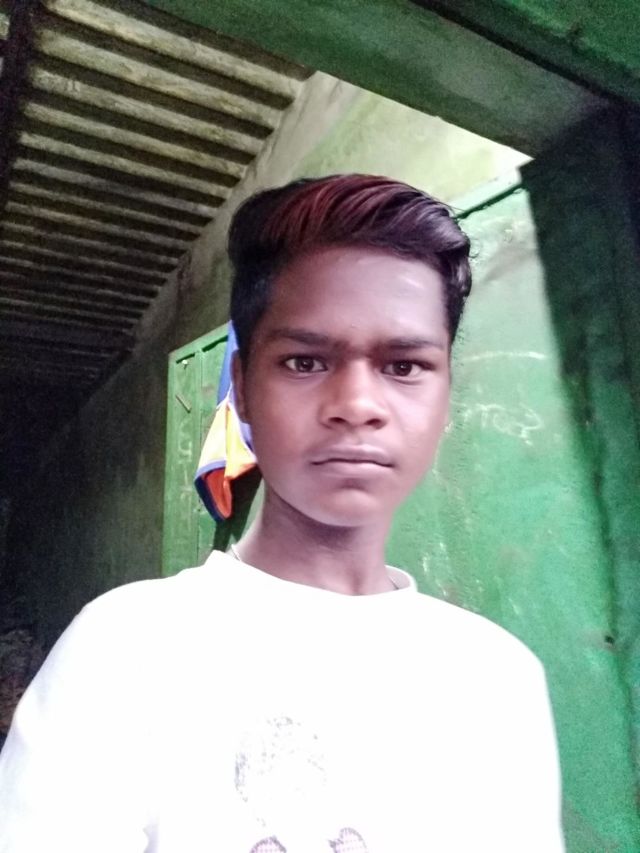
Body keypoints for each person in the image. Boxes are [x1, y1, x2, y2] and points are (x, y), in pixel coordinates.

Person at [0, 175, 564, 852]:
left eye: (404, 366)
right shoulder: (124, 649)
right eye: (304, 361)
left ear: (446, 391)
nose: (357, 405)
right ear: (241, 389)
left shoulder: (501, 679)